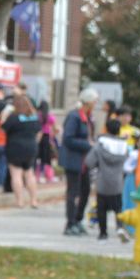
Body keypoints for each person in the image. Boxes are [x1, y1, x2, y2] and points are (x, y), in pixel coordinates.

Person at [61, 87, 98, 236]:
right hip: (74, 160)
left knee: (85, 190)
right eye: (94, 101)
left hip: (85, 161)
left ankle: (78, 219)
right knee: (73, 192)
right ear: (88, 102)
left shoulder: (89, 117)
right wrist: (88, 144)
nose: (96, 104)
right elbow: (68, 139)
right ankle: (70, 223)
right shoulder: (74, 116)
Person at [85, 117, 130, 242]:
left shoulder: (100, 145)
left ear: (107, 129)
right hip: (117, 181)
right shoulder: (124, 146)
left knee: (102, 208)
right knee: (118, 207)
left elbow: (89, 162)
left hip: (102, 181)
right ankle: (119, 227)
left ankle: (103, 233)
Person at [2, 93, 41, 208]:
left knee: (16, 174)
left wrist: (4, 115)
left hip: (15, 148)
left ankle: (19, 202)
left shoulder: (14, 118)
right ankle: (34, 201)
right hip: (31, 147)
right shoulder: (34, 117)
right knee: (29, 174)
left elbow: (3, 128)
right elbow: (39, 132)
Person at [35, 99, 58, 183]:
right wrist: (53, 135)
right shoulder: (50, 116)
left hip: (38, 137)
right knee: (47, 157)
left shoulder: (37, 116)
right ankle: (48, 176)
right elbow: (56, 128)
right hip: (47, 137)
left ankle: (37, 175)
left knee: (38, 157)